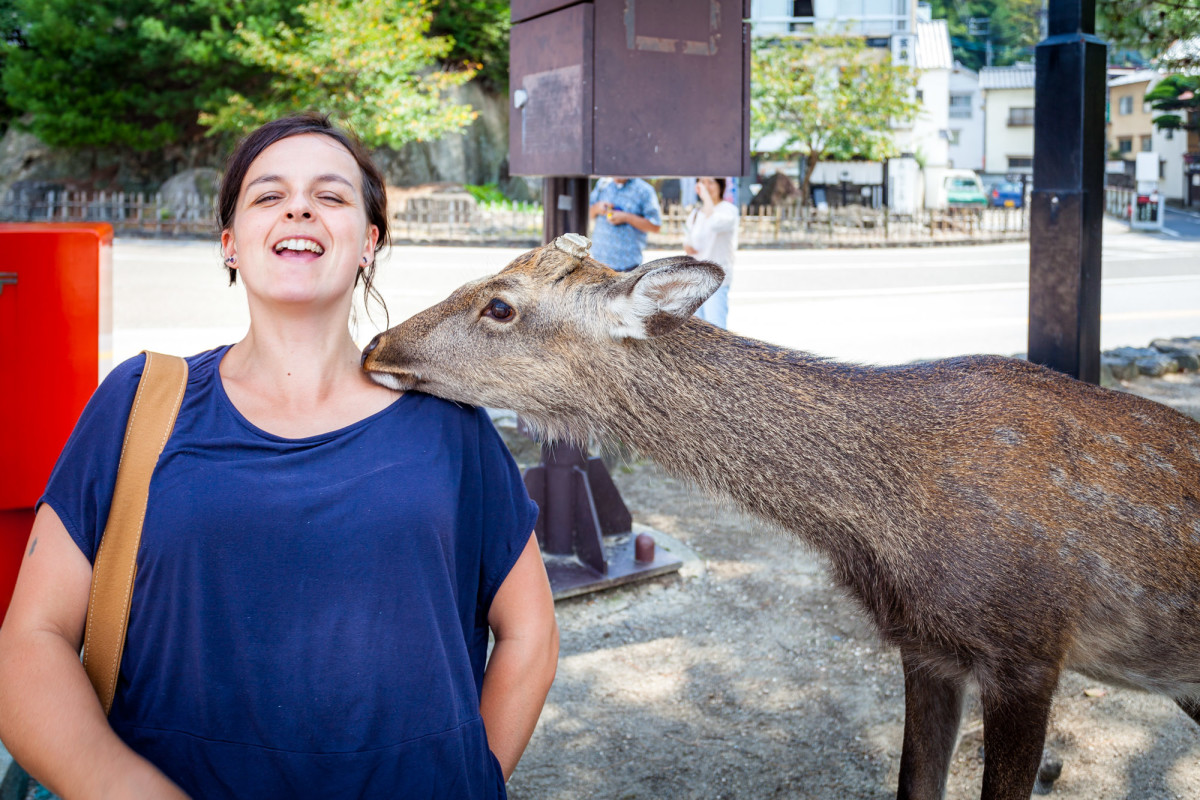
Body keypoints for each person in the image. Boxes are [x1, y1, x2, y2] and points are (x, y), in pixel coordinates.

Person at [0, 113, 558, 799]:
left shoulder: (452, 425)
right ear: (231, 244)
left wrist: (473, 780)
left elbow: (529, 629)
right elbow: (31, 639)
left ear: (368, 244)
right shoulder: (139, 403)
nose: (299, 206)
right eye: (268, 195)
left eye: (331, 196)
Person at [682, 176, 738, 328]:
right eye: (703, 183)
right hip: (695, 280)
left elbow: (714, 223)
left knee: (716, 328)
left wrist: (706, 198)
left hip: (717, 279)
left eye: (711, 182)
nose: (706, 187)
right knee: (698, 331)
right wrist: (688, 245)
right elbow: (689, 237)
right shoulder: (695, 213)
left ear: (720, 185)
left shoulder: (728, 210)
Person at [587, 177, 662, 271]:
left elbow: (655, 227)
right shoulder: (602, 184)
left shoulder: (644, 190)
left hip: (628, 268)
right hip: (598, 265)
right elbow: (588, 214)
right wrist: (597, 208)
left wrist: (626, 217)